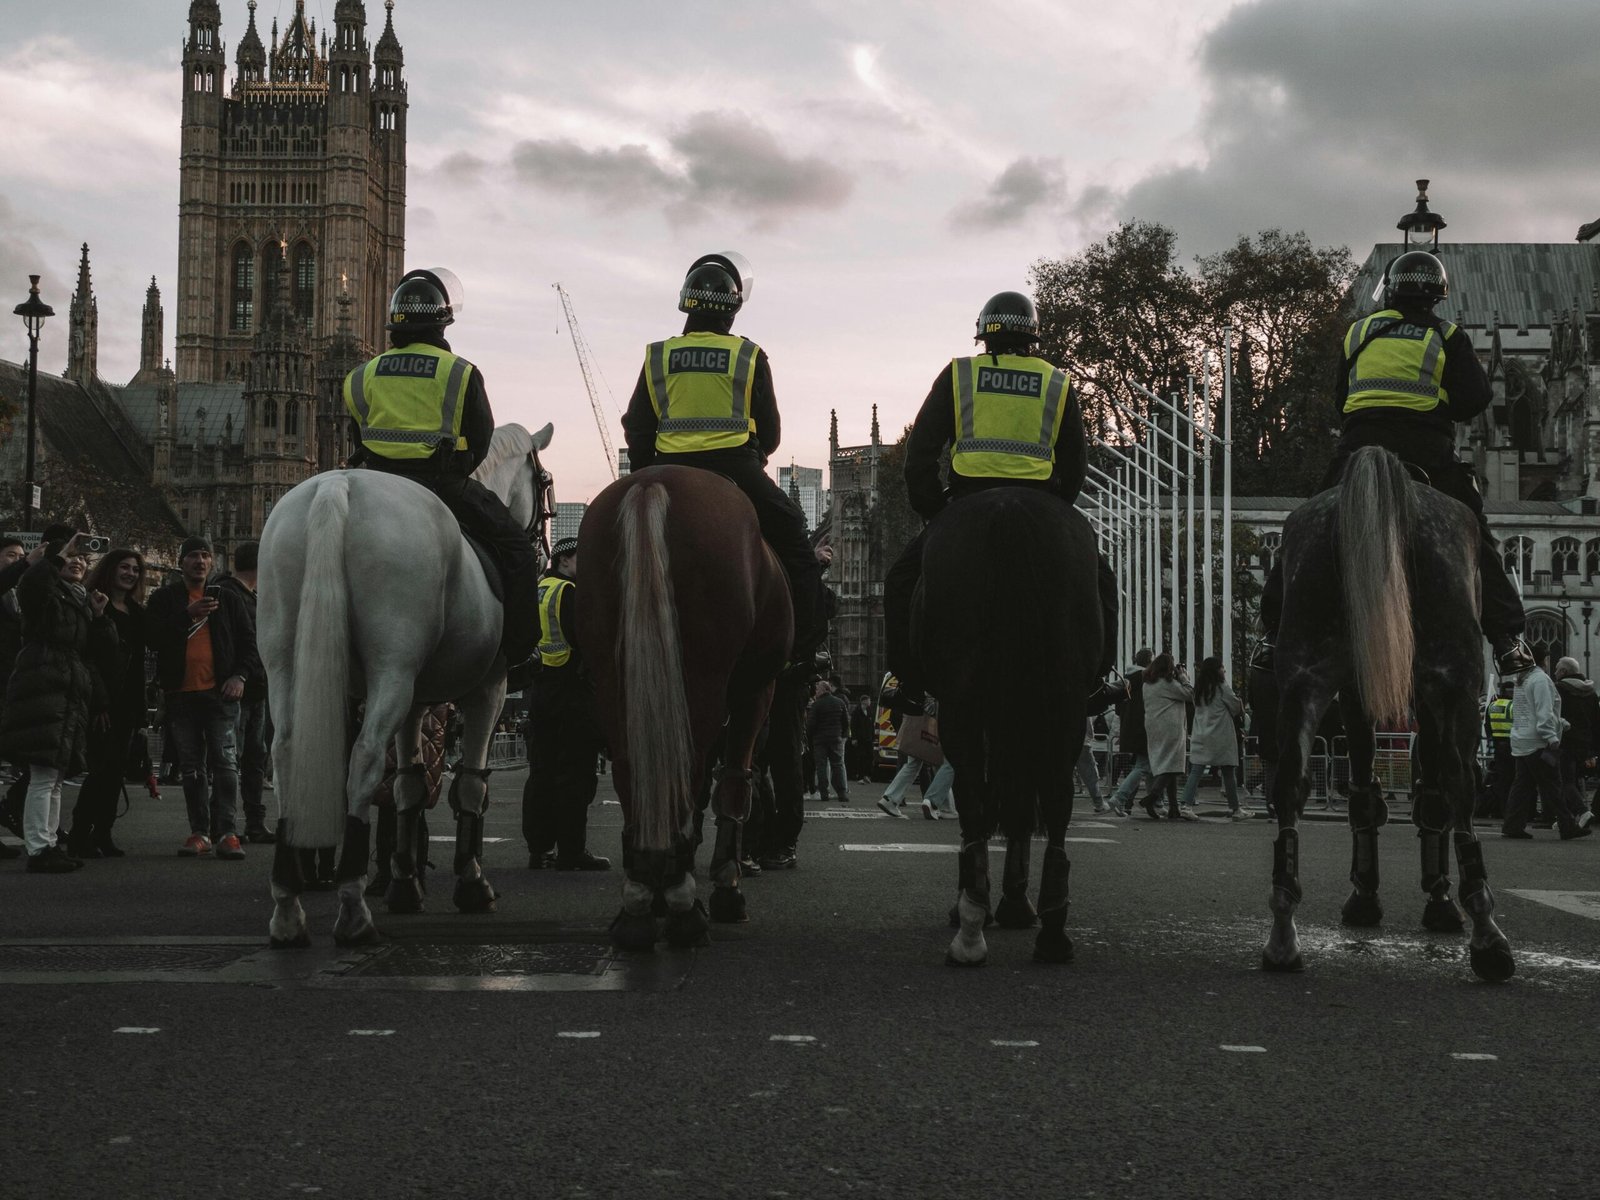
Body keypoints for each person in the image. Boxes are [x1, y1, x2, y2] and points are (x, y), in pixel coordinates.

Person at [1260, 249, 1531, 676]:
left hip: (1358, 446)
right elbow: (1476, 399)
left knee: (1303, 528)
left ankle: (1272, 631)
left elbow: (1340, 397)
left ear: (1390, 291)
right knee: (1477, 536)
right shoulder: (1446, 335)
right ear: (1436, 296)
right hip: (1426, 450)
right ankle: (1507, 639)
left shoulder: (1357, 332)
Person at [883, 290, 1119, 701]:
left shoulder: (958, 375)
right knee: (1101, 582)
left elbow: (919, 455)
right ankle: (1098, 681)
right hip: (1042, 500)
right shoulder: (1056, 381)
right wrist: (1056, 514)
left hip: (965, 499)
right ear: (1032, 339)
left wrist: (935, 512)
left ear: (983, 339)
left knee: (901, 582)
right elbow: (1075, 465)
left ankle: (908, 683)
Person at [621, 252, 826, 661]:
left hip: (665, 468)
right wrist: (750, 455)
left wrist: (649, 474)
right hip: (735, 467)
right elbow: (769, 434)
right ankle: (803, 651)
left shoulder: (658, 355)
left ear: (686, 304)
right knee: (796, 543)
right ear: (732, 312)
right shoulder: (747, 357)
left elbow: (637, 426)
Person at [344, 267, 541, 665]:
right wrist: (453, 466)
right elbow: (481, 439)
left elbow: (357, 434)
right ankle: (520, 653)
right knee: (518, 548)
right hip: (439, 484)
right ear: (442, 322)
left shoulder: (362, 374)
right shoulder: (460, 373)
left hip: (369, 481)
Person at [0, 526, 118, 873]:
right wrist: (59, 555)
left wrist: (98, 617)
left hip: (66, 689)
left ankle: (48, 841)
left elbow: (103, 650)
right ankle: (39, 847)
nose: (78, 562)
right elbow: (33, 583)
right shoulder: (42, 593)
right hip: (45, 685)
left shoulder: (78, 598)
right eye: (72, 558)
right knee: (43, 773)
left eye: (83, 558)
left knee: (53, 775)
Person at [146, 535, 262, 860]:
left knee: (226, 763)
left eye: (206, 556)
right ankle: (199, 831)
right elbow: (152, 637)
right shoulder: (165, 598)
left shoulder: (228, 598)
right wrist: (188, 614)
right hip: (180, 694)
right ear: (181, 562)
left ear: (213, 562)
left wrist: (240, 676)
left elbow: (249, 643)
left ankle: (227, 831)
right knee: (191, 768)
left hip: (220, 693)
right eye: (194, 556)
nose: (200, 561)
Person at [521, 537, 609, 871]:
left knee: (541, 770)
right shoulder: (569, 592)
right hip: (572, 690)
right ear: (563, 561)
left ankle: (539, 848)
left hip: (540, 689)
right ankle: (571, 850)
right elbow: (587, 640)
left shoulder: (539, 589)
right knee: (575, 772)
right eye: (580, 559)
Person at [66, 548, 148, 858]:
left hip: (127, 700)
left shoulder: (137, 612)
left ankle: (103, 832)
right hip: (102, 700)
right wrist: (99, 702)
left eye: (135, 569)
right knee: (100, 770)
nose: (130, 573)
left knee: (116, 772)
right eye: (124, 567)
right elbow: (90, 657)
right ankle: (80, 832)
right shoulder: (94, 604)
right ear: (111, 570)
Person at [216, 540, 274, 844]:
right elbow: (234, 641)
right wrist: (237, 674)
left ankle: (254, 822)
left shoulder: (254, 595)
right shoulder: (228, 592)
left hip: (256, 688)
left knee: (255, 759)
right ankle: (225, 824)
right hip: (237, 688)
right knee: (231, 760)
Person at [1502, 657, 1590, 840]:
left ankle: (1512, 825)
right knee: (1553, 785)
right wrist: (1551, 736)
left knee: (1522, 786)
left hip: (1521, 740)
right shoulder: (1540, 679)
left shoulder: (1522, 679)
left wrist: (1561, 722)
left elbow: (1528, 710)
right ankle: (1568, 826)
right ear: (1542, 660)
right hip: (1538, 742)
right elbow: (1544, 711)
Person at [1178, 656, 1248, 819]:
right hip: (1221, 735)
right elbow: (1235, 707)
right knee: (1228, 772)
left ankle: (1186, 805)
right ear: (1216, 670)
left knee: (1196, 771)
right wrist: (1239, 703)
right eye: (1222, 667)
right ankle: (1235, 808)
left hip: (1202, 734)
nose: (1224, 670)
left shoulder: (1199, 689)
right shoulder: (1222, 686)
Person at [0, 534, 30, 856]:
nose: (17, 560)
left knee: (36, 760)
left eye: (20, 555)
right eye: (11, 555)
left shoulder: (19, 597)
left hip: (14, 687)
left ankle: (15, 809)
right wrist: (26, 563)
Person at [1139, 654, 1194, 821]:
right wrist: (1184, 677)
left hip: (1154, 727)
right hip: (1171, 728)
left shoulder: (1147, 684)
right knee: (1173, 767)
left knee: (1168, 765)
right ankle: (1152, 797)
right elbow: (1189, 694)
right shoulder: (1167, 683)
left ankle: (1174, 808)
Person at [1106, 648, 1155, 816]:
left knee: (1149, 766)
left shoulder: (1127, 679)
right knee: (1144, 766)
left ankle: (1155, 801)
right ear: (1149, 661)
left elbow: (1119, 708)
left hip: (1130, 726)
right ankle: (1120, 798)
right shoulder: (1147, 679)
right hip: (1144, 727)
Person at [1552, 658, 1599, 831]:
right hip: (1584, 745)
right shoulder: (1591, 692)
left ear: (1564, 672)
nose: (1555, 673)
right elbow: (1596, 723)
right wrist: (1593, 750)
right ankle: (1567, 818)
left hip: (1565, 741)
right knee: (1573, 780)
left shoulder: (1560, 690)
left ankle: (1583, 811)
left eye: (1557, 669)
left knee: (1564, 781)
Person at [1246, 642, 1280, 818]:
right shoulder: (1280, 674)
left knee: (1270, 766)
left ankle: (1270, 802)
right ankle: (1277, 801)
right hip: (1280, 723)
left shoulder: (1256, 676)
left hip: (1263, 724)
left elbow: (1251, 701)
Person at [807, 678, 851, 806]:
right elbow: (845, 721)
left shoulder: (817, 704)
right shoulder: (840, 702)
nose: (815, 691)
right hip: (835, 738)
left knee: (821, 766)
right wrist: (842, 735)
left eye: (817, 689)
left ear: (824, 690)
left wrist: (810, 737)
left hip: (820, 740)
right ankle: (842, 793)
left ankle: (824, 793)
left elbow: (811, 724)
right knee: (837, 765)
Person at [1476, 680, 1514, 821]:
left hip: (1498, 747)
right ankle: (1509, 810)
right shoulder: (1513, 705)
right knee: (1513, 781)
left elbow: (1487, 727)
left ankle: (1499, 810)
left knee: (1501, 781)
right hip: (1513, 747)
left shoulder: (1492, 706)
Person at [847, 693, 874, 782]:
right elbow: (853, 725)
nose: (870, 702)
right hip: (860, 738)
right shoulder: (856, 712)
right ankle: (860, 776)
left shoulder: (869, 711)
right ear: (864, 701)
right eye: (868, 700)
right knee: (861, 757)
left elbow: (871, 725)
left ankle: (867, 775)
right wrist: (854, 738)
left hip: (868, 738)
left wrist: (872, 737)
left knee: (870, 756)